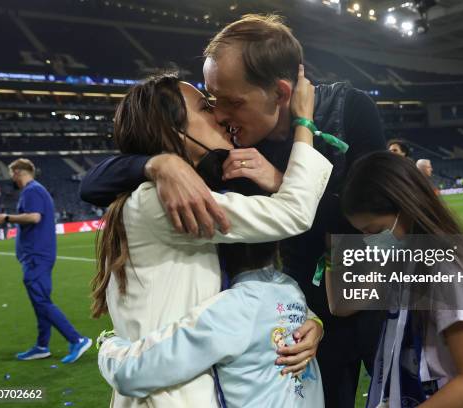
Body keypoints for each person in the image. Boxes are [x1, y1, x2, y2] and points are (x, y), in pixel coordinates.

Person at [80, 14, 385, 407]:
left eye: (230, 102)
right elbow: (95, 184)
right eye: (211, 101)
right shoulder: (207, 167)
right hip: (274, 324)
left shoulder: (347, 109)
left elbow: (379, 215)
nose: (221, 114)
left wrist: (281, 180)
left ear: (278, 93)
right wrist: (155, 164)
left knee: (394, 389)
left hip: (361, 289)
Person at [90, 70, 331, 407]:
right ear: (174, 131)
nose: (219, 115)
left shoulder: (158, 193)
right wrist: (304, 122)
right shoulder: (162, 200)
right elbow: (293, 214)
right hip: (168, 393)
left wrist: (308, 321)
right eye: (205, 108)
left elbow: (247, 291)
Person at [328, 152, 463, 408]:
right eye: (362, 233)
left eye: (375, 230)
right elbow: (343, 305)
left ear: (406, 207)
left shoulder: (446, 270)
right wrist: (331, 249)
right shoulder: (404, 259)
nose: (370, 240)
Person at [96, 245, 325, 407]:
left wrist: (108, 344)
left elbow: (131, 374)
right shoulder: (290, 288)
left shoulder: (234, 308)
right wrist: (317, 323)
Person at [0, 159, 91, 363]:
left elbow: (34, 217)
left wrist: (7, 218)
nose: (10, 178)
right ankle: (42, 346)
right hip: (37, 256)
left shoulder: (32, 191)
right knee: (40, 301)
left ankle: (77, 339)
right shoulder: (36, 190)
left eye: (11, 173)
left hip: (36, 256)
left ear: (18, 171)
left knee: (42, 301)